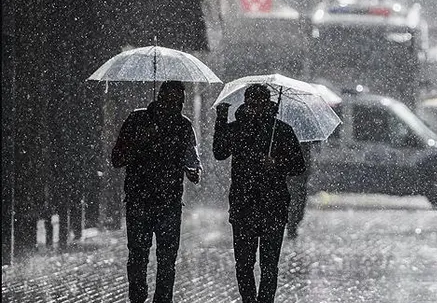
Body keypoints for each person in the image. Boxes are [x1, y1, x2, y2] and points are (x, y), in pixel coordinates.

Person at [213, 84, 306, 303]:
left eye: (259, 103)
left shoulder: (281, 131)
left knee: (269, 264)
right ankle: (248, 299)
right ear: (246, 103)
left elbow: (298, 166)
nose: (254, 108)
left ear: (268, 104)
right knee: (244, 263)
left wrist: (277, 163)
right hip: (243, 204)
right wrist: (221, 119)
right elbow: (219, 152)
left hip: (273, 206)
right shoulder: (238, 128)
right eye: (251, 103)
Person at [111, 81, 201, 303]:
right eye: (171, 100)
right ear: (160, 98)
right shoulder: (137, 120)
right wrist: (143, 138)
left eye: (179, 101)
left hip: (169, 202)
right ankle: (138, 297)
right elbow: (117, 158)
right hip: (139, 200)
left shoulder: (183, 126)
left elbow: (193, 160)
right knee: (138, 256)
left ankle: (162, 299)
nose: (175, 106)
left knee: (167, 260)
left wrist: (193, 171)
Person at [286, 142, 313, 239]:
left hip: (300, 178)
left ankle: (292, 224)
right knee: (296, 201)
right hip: (294, 177)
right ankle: (291, 225)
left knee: (299, 202)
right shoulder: (291, 142)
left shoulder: (306, 143)